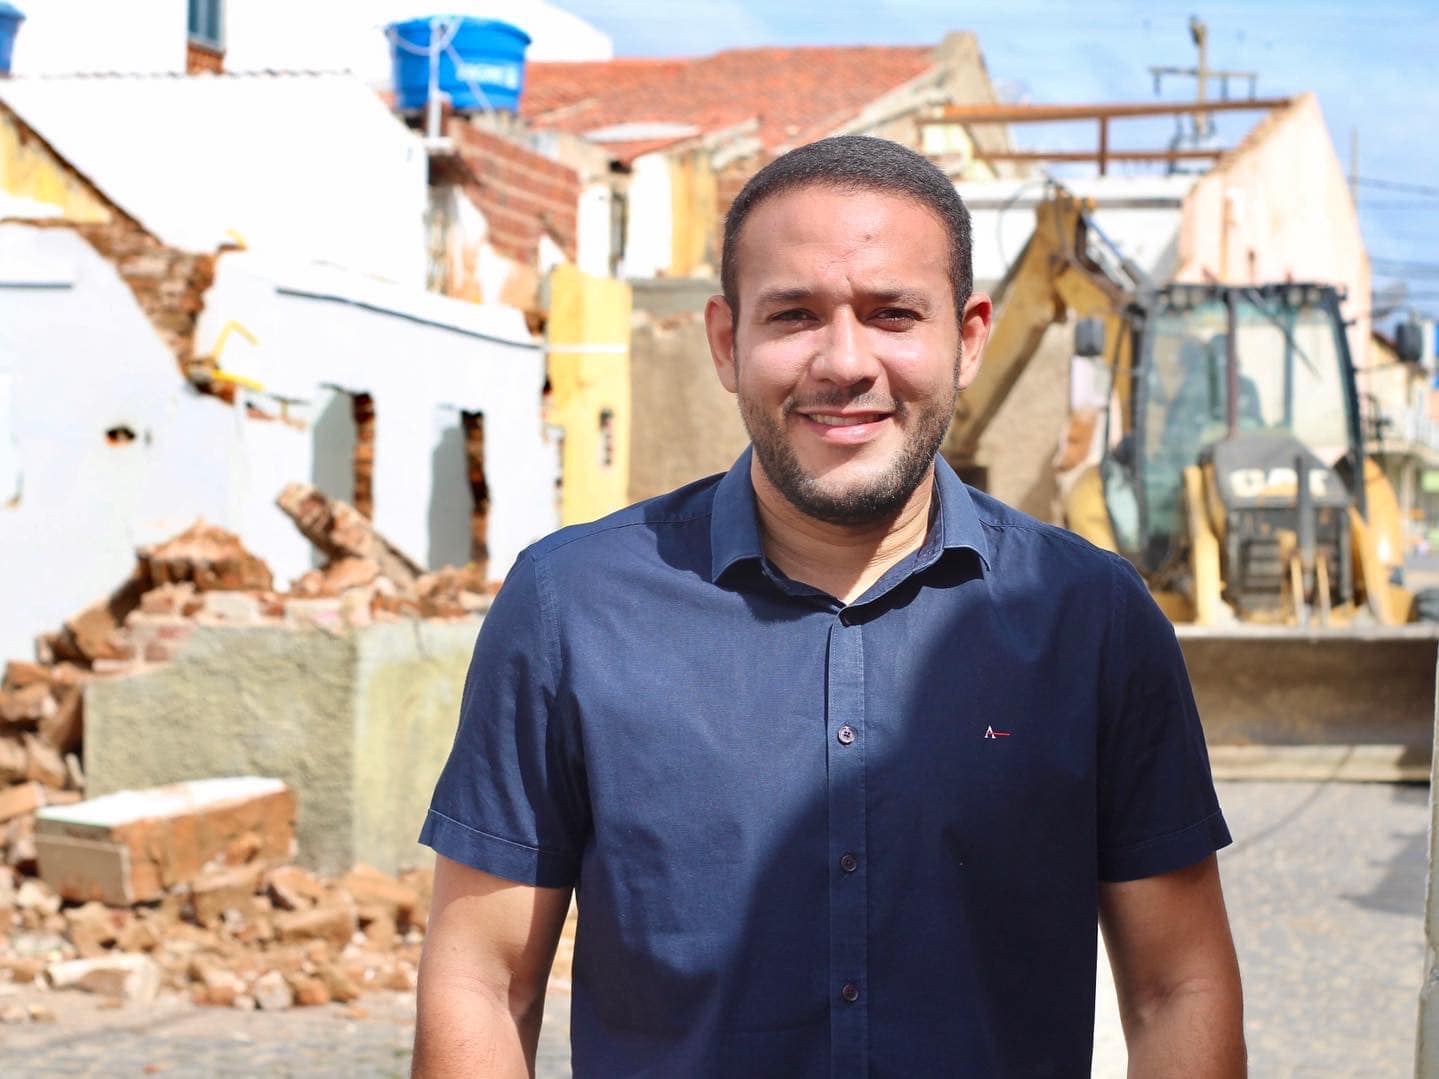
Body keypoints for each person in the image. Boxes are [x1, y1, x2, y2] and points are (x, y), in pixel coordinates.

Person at [412, 135, 1244, 1078]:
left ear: (968, 338)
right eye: (794, 315)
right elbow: (482, 980)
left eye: (892, 313)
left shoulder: (1091, 621)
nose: (845, 361)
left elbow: (1176, 985)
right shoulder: (571, 607)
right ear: (726, 342)